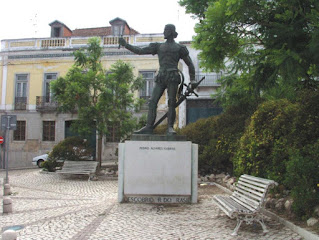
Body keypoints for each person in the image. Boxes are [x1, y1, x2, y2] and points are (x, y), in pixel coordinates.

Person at [119, 24, 195, 135]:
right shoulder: (158, 46)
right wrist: (126, 45)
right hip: (161, 76)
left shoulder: (179, 48)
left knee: (172, 103)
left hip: (173, 76)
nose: (164, 32)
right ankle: (149, 127)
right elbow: (139, 51)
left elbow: (190, 64)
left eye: (165, 30)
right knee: (152, 101)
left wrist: (192, 80)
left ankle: (170, 128)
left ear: (170, 32)